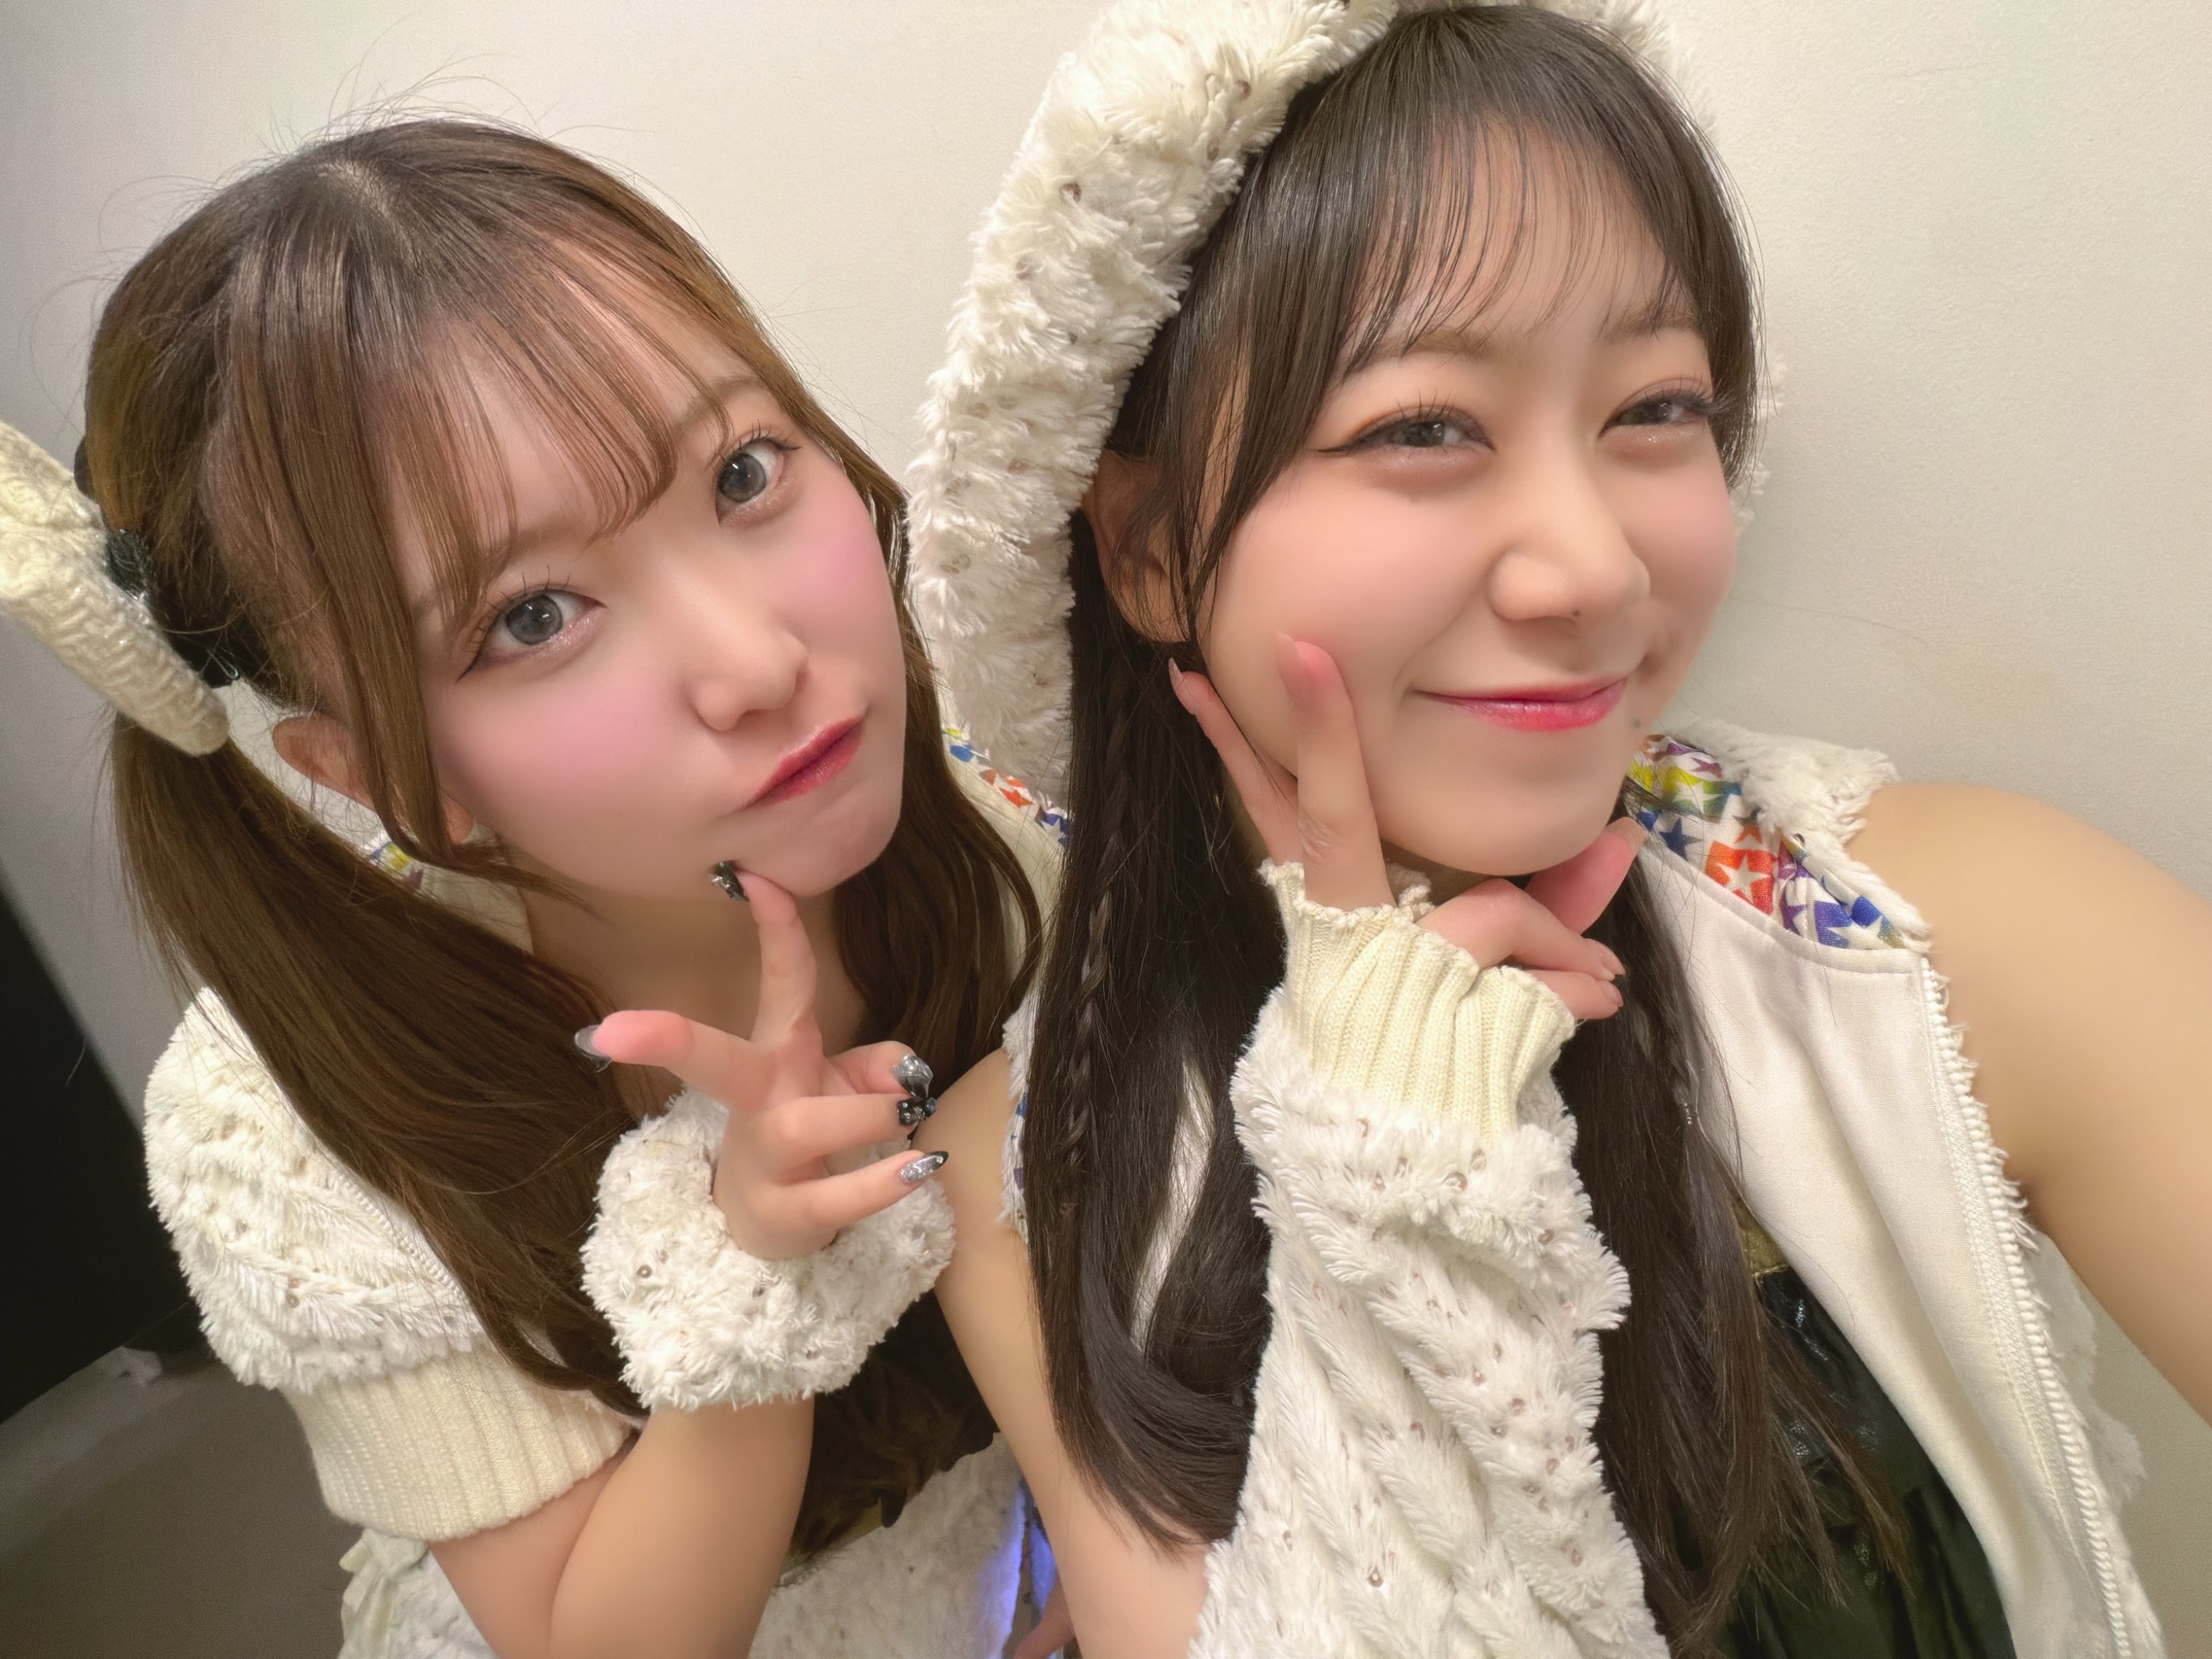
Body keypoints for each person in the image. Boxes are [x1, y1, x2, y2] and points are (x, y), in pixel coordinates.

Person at [905, 3, 2204, 1656]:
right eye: (1423, 427)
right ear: (1152, 551)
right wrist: (1396, 1139)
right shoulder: (1035, 1169)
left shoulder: (1938, 934)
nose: (1594, 567)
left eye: (1655, 408)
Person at [0, 119, 1068, 1657]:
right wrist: (748, 1280)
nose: (760, 662)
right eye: (535, 617)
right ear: (380, 770)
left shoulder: (980, 809)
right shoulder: (293, 1139)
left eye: (743, 472)